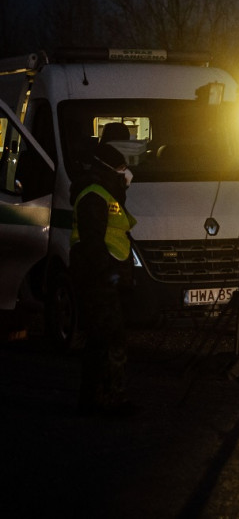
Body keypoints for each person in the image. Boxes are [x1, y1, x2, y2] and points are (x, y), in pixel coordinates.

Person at [70, 142, 138, 417]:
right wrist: (107, 273)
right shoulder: (94, 196)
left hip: (103, 278)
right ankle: (109, 400)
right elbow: (93, 241)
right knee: (110, 340)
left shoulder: (105, 193)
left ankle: (94, 399)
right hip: (98, 280)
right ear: (109, 169)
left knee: (100, 340)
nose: (127, 173)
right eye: (122, 168)